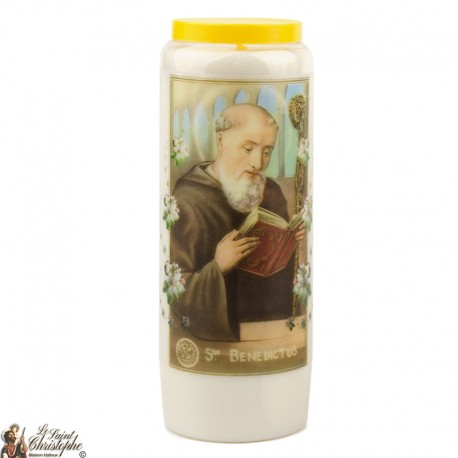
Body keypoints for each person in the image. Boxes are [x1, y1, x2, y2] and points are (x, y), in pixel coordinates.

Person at [170, 103, 305, 341]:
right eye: (248, 148)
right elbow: (176, 291)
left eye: (267, 151)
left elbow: (281, 277)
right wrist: (218, 267)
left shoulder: (270, 191)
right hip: (225, 336)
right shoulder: (188, 198)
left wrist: (290, 240)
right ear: (221, 141)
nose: (258, 163)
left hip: (271, 329)